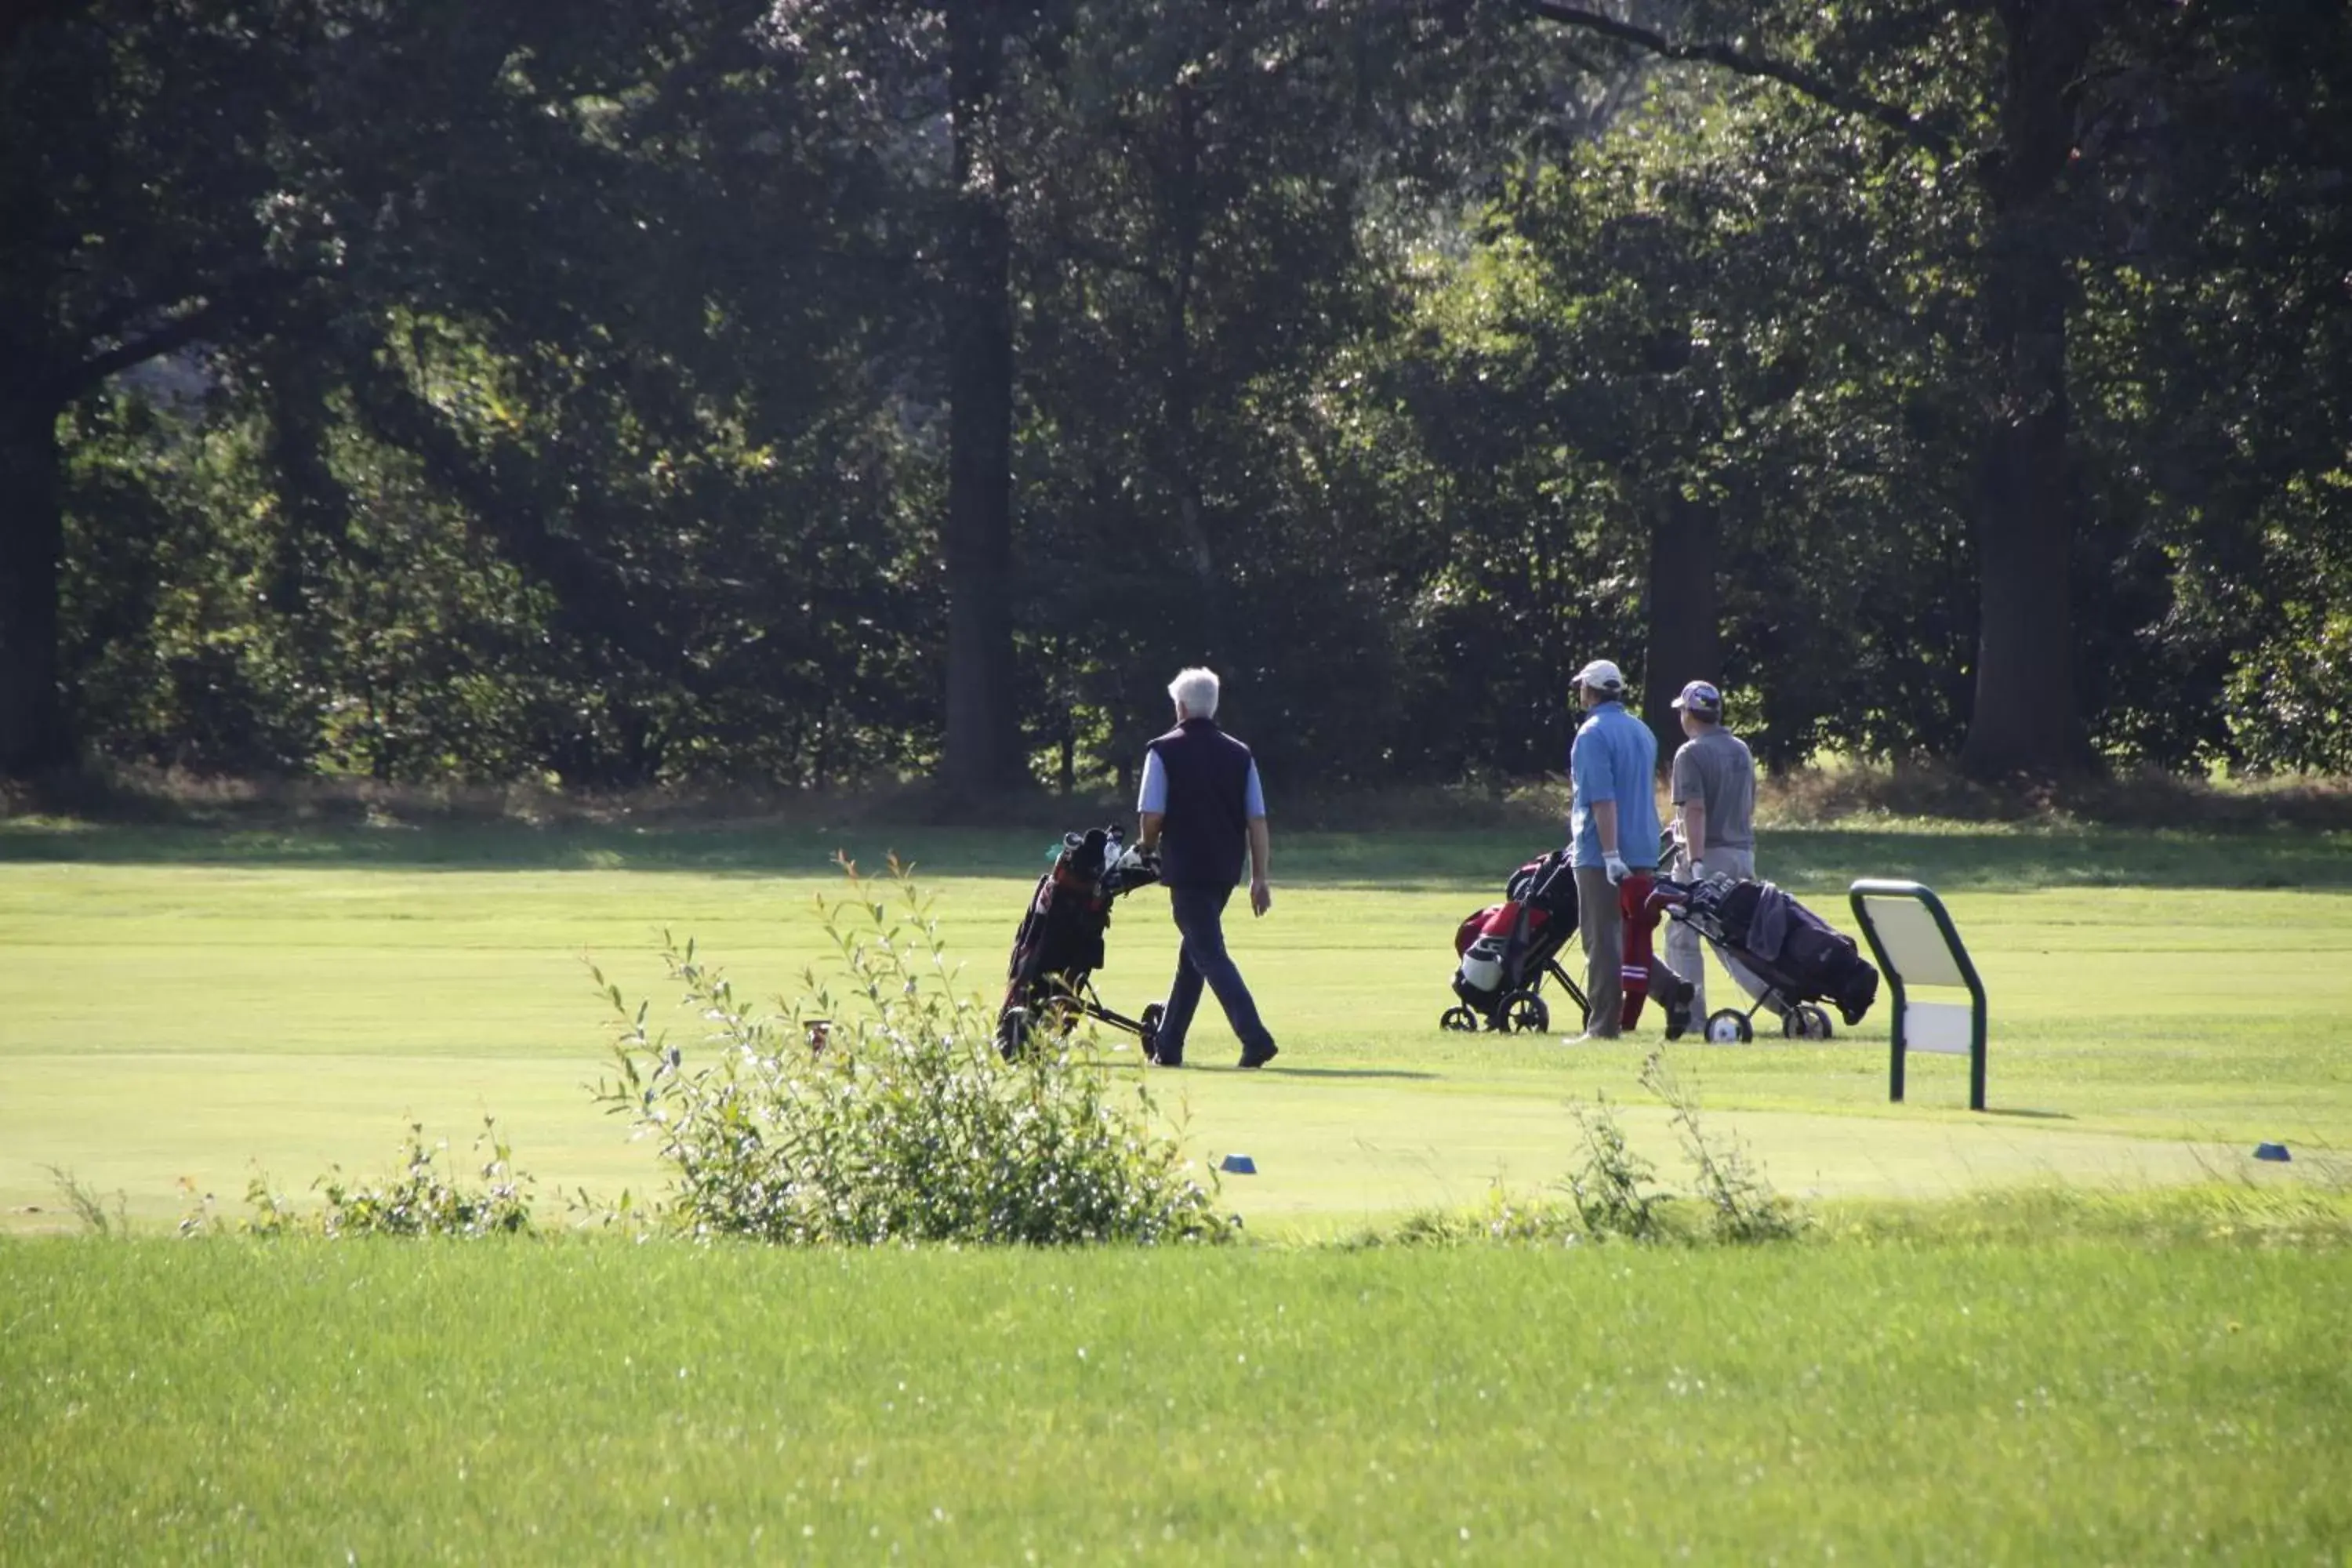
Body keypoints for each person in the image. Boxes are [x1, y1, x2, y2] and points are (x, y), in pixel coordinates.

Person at [1135, 666, 1278, 1070]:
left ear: (1180, 707)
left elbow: (1152, 814)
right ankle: (1169, 1045)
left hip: (1185, 868)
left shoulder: (1163, 750)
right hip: (1223, 871)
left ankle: (1255, 1037)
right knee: (1194, 954)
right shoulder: (1240, 754)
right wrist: (1260, 878)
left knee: (1209, 954)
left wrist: (1146, 848)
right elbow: (1257, 821)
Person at [1561, 659, 1686, 1041]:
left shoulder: (1592, 733)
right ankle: (1670, 989)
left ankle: (1603, 1027)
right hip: (1643, 845)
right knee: (1629, 936)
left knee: (1601, 939)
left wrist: (1611, 853)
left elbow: (1602, 799)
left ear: (1592, 691)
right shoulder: (1641, 731)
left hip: (1603, 852)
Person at [1664, 678, 1768, 1024]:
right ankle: (1783, 1003)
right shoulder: (1740, 748)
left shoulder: (1690, 753)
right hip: (1742, 853)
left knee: (1682, 937)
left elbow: (1695, 809)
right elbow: (1747, 803)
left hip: (1706, 858)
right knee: (1738, 940)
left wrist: (1694, 863)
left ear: (1690, 715)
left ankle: (1691, 1020)